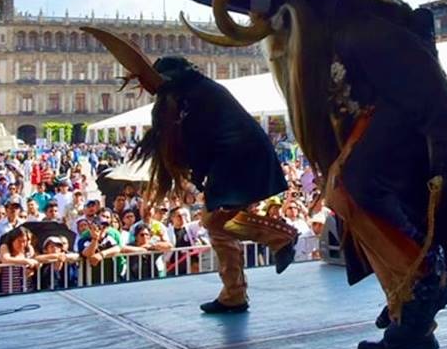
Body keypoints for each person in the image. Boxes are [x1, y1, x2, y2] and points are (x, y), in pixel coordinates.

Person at [55, 0, 447, 349]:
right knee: (342, 195)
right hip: (374, 129)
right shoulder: (324, 42)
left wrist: (444, 148)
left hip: (398, 128)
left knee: (346, 188)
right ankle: (408, 300)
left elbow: (424, 87)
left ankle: (422, 283)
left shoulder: (356, 31)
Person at [78, 30, 297, 314]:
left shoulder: (191, 98)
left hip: (240, 161)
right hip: (237, 160)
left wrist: (198, 174)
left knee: (216, 223)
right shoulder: (195, 92)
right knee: (218, 227)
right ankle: (234, 293)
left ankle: (279, 238)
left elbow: (198, 139)